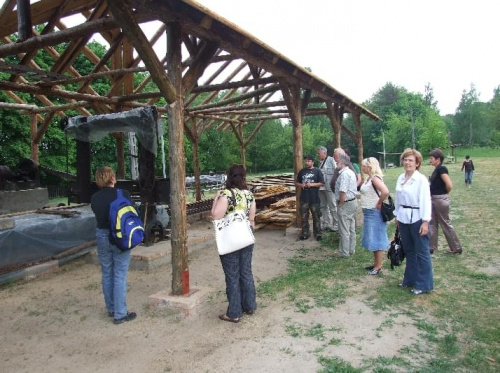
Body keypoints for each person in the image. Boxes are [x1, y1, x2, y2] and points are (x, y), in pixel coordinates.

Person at [90, 166, 137, 324]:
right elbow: (133, 212)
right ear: (112, 178)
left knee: (107, 272)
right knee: (119, 274)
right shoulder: (123, 194)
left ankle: (111, 308)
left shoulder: (95, 197)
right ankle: (120, 314)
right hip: (119, 236)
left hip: (102, 236)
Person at [211, 164, 257, 323]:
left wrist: (216, 199)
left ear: (229, 177)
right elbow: (252, 218)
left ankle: (234, 312)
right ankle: (249, 305)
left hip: (230, 240)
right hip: (246, 238)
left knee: (232, 275)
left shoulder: (226, 195)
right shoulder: (249, 194)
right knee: (246, 272)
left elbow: (216, 215)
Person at [394, 149, 433, 295]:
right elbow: (398, 199)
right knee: (409, 250)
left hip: (417, 217)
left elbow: (426, 201)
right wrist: (397, 215)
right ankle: (409, 279)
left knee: (422, 252)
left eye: (411, 160)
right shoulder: (400, 178)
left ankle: (424, 284)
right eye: (405, 160)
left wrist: (425, 221)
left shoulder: (421, 179)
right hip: (404, 217)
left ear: (417, 163)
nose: (407, 163)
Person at [429, 149, 463, 254]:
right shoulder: (436, 169)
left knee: (445, 223)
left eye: (432, 158)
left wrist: (443, 194)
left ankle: (456, 247)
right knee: (432, 223)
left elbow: (449, 185)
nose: (430, 160)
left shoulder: (442, 169)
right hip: (434, 198)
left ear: (438, 159)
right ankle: (431, 247)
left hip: (440, 199)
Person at [360, 157, 390, 274]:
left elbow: (385, 191)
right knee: (372, 237)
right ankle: (375, 263)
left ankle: (378, 267)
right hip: (368, 212)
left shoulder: (375, 179)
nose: (362, 168)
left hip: (374, 212)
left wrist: (379, 202)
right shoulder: (369, 179)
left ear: (370, 167)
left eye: (364, 166)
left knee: (377, 237)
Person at [295, 155, 324, 241]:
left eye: (308, 161)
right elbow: (297, 183)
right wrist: (301, 185)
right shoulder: (302, 172)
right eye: (306, 161)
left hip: (314, 198)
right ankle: (305, 233)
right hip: (304, 198)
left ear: (312, 162)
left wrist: (312, 185)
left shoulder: (317, 171)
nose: (306, 162)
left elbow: (322, 183)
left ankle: (318, 233)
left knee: (316, 216)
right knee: (304, 217)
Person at [334, 155, 358, 258]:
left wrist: (341, 203)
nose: (336, 163)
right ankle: (351, 249)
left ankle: (344, 252)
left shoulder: (344, 174)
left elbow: (343, 191)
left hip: (346, 202)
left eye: (338, 161)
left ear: (342, 163)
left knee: (344, 229)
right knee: (351, 227)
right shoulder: (351, 172)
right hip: (353, 201)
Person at [316, 146, 338, 232]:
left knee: (333, 206)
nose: (318, 155)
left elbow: (336, 172)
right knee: (323, 206)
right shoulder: (319, 163)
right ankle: (326, 223)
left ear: (324, 153)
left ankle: (336, 224)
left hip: (329, 188)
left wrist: (334, 185)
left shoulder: (331, 160)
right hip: (321, 188)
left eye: (319, 153)